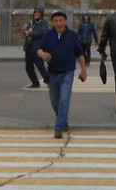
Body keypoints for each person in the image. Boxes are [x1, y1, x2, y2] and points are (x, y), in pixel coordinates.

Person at [37, 10, 89, 138]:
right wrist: (43, 54)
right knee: (55, 102)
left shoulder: (72, 35)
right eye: (56, 21)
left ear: (65, 21)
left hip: (68, 72)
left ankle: (58, 127)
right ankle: (63, 121)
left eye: (61, 20)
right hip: (53, 73)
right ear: (53, 23)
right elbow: (39, 49)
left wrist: (83, 70)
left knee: (64, 100)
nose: (58, 23)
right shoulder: (48, 34)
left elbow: (80, 54)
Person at [23, 8, 50, 88]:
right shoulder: (32, 22)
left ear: (41, 14)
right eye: (35, 12)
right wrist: (26, 32)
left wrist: (31, 33)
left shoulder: (44, 22)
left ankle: (49, 81)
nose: (36, 14)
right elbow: (25, 30)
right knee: (28, 67)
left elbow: (42, 32)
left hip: (37, 47)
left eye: (38, 13)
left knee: (40, 66)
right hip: (28, 47)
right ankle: (35, 83)